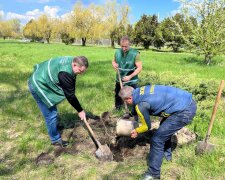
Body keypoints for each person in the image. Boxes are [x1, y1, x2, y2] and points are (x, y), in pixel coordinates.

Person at [119, 85, 197, 180]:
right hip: (185, 101)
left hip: (184, 111)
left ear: (129, 98)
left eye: (125, 101)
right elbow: (140, 102)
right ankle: (166, 155)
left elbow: (147, 126)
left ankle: (153, 174)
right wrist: (131, 114)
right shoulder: (140, 90)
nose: (125, 103)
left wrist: (136, 130)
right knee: (164, 129)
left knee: (157, 139)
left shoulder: (141, 105)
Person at [28, 56, 88, 147]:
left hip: (42, 77)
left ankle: (53, 127)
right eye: (80, 71)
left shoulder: (72, 61)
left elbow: (71, 87)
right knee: (51, 114)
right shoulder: (65, 73)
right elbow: (70, 95)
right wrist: (80, 110)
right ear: (74, 64)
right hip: (38, 84)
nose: (81, 73)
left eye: (83, 72)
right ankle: (55, 140)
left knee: (52, 109)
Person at [112, 36, 142, 109]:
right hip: (120, 78)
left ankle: (135, 110)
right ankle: (118, 107)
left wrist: (130, 77)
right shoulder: (117, 52)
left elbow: (139, 67)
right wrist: (114, 64)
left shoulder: (135, 54)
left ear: (129, 44)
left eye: (126, 46)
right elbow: (113, 61)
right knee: (118, 94)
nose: (124, 49)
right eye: (122, 46)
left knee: (134, 95)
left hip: (131, 79)